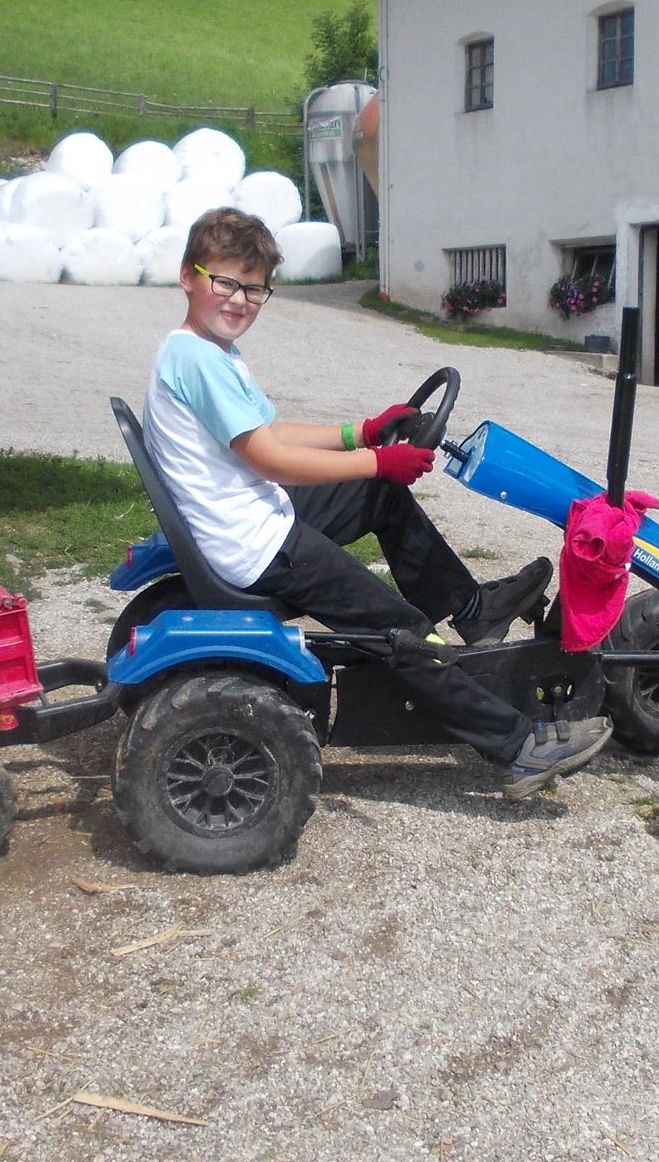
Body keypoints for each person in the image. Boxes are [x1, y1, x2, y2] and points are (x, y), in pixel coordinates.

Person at [143, 208, 612, 799]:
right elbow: (270, 458)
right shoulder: (198, 361)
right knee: (402, 629)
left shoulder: (206, 350)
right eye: (226, 282)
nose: (240, 300)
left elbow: (273, 431)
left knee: (380, 495)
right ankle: (519, 747)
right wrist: (378, 459)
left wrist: (361, 433)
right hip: (255, 544)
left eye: (255, 288)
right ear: (189, 275)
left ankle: (471, 611)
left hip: (251, 517)